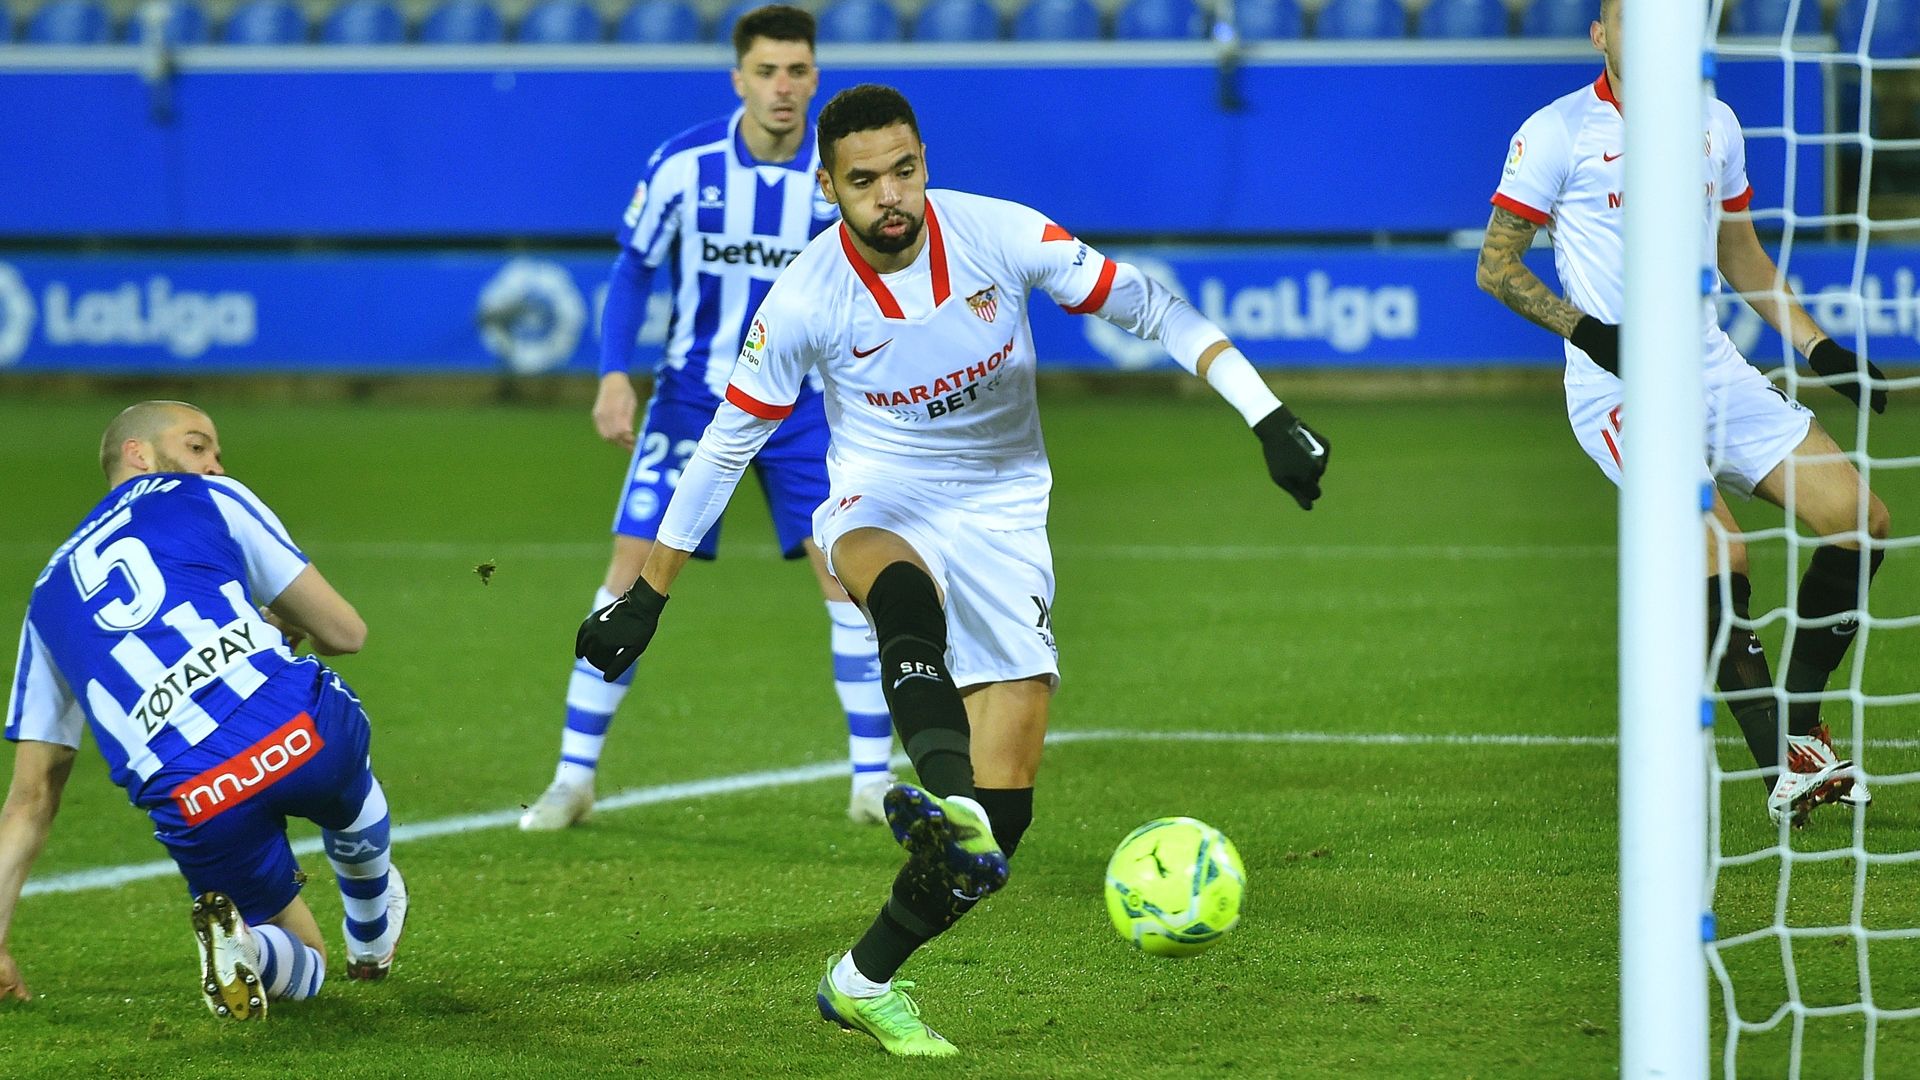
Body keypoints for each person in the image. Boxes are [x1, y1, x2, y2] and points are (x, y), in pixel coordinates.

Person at [576, 84, 1331, 1056]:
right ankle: (944, 795)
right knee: (899, 594)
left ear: (923, 161)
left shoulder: (997, 235)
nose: (888, 195)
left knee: (1005, 821)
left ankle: (864, 976)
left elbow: (1149, 305)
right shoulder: (808, 295)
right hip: (876, 503)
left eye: (903, 170)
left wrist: (1267, 415)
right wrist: (647, 594)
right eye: (863, 180)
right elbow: (726, 444)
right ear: (828, 185)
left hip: (1005, 515)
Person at [1476, 0, 1891, 826]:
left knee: (1862, 519)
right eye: (1626, 19)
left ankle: (1798, 727)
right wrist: (1591, 334)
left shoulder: (1717, 122)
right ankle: (1783, 761)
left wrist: (1819, 350)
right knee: (1720, 547)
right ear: (1602, 35)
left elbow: (1741, 254)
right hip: (1620, 389)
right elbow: (1498, 267)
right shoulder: (1557, 131)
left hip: (1714, 370)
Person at [521, 4, 893, 832]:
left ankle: (871, 780)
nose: (783, 87)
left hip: (805, 408)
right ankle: (572, 777)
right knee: (632, 569)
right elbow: (634, 267)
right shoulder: (684, 165)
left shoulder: (842, 180)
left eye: (798, 70)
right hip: (695, 399)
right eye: (767, 71)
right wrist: (615, 374)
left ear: (815, 77)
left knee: (844, 571)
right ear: (739, 79)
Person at [0, 401, 408, 1018]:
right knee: (347, 787)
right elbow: (346, 632)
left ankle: (247, 947)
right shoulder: (212, 498)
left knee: (303, 957)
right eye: (198, 446)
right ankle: (372, 935)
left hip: (195, 795)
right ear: (137, 453)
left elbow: (29, 801)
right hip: (297, 730)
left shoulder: (45, 601)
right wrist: (284, 624)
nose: (214, 465)